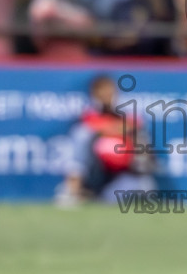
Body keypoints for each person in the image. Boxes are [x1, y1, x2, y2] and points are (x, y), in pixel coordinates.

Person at [57, 75, 157, 206]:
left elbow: (134, 126)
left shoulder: (128, 113)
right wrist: (114, 128)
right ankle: (73, 189)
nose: (106, 95)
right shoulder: (89, 116)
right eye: (101, 92)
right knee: (81, 134)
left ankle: (91, 196)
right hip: (99, 173)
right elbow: (90, 126)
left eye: (109, 91)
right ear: (94, 95)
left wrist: (112, 128)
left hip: (126, 173)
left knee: (113, 199)